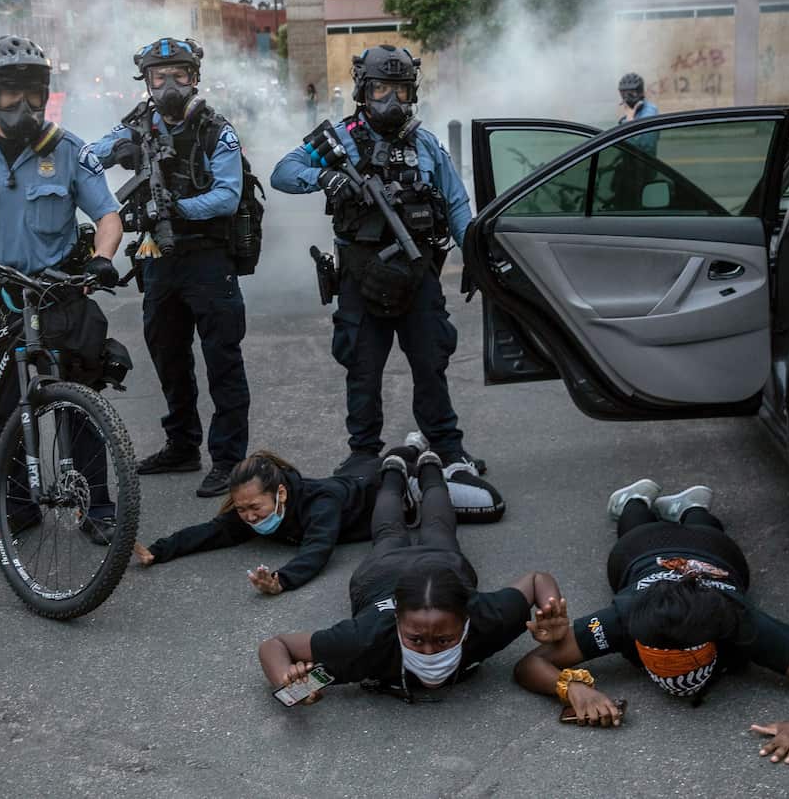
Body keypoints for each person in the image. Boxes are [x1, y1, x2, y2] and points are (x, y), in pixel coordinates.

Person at [0, 34, 124, 544]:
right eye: (11, 91)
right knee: (3, 406)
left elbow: (107, 215)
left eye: (35, 91)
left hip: (57, 296)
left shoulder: (70, 149)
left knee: (78, 404)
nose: (25, 103)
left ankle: (95, 506)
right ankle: (17, 507)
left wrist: (102, 260)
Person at [513, 480, 789, 765]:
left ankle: (693, 507)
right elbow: (531, 664)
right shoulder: (624, 617)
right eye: (660, 656)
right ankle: (638, 498)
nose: (671, 668)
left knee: (704, 528)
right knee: (636, 524)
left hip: (715, 552)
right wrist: (571, 688)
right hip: (643, 551)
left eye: (680, 657)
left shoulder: (737, 621)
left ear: (716, 637)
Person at [269, 45, 479, 477]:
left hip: (418, 273)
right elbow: (282, 172)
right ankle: (364, 454)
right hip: (360, 277)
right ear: (365, 90)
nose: (391, 101)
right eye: (382, 89)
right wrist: (324, 178)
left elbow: (457, 204)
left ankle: (448, 448)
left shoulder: (426, 143)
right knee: (362, 370)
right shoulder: (340, 139)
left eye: (400, 91)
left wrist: (474, 257)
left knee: (430, 363)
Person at [258, 449, 562, 703]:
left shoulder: (489, 618)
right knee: (390, 531)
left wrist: (552, 613)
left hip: (442, 564)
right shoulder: (363, 641)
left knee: (438, 528)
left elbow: (538, 581)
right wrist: (290, 683)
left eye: (444, 640)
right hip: (382, 573)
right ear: (396, 622)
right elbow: (275, 646)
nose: (429, 652)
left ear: (468, 619)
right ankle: (393, 469)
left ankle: (430, 466)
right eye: (415, 639)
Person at [89, 38, 250, 498]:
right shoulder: (138, 127)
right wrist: (109, 154)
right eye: (159, 77)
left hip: (207, 259)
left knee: (223, 361)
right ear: (146, 81)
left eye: (178, 74)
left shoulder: (216, 129)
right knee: (168, 355)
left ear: (194, 76)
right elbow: (89, 158)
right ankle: (182, 446)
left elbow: (227, 195)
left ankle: (229, 460)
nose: (169, 84)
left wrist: (175, 208)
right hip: (159, 261)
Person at [132, 435, 506, 594]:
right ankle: (411, 446)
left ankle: (447, 464)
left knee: (488, 507)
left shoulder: (320, 504)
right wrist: (161, 550)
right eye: (242, 508)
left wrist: (282, 580)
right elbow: (212, 531)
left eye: (253, 508)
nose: (246, 516)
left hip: (401, 491)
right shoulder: (252, 509)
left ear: (280, 494)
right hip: (359, 476)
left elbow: (317, 550)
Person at [616, 72, 659, 155]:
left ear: (641, 92)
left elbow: (643, 147)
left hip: (642, 163)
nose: (627, 97)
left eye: (632, 92)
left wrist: (629, 120)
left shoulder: (650, 113)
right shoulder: (632, 109)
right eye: (624, 93)